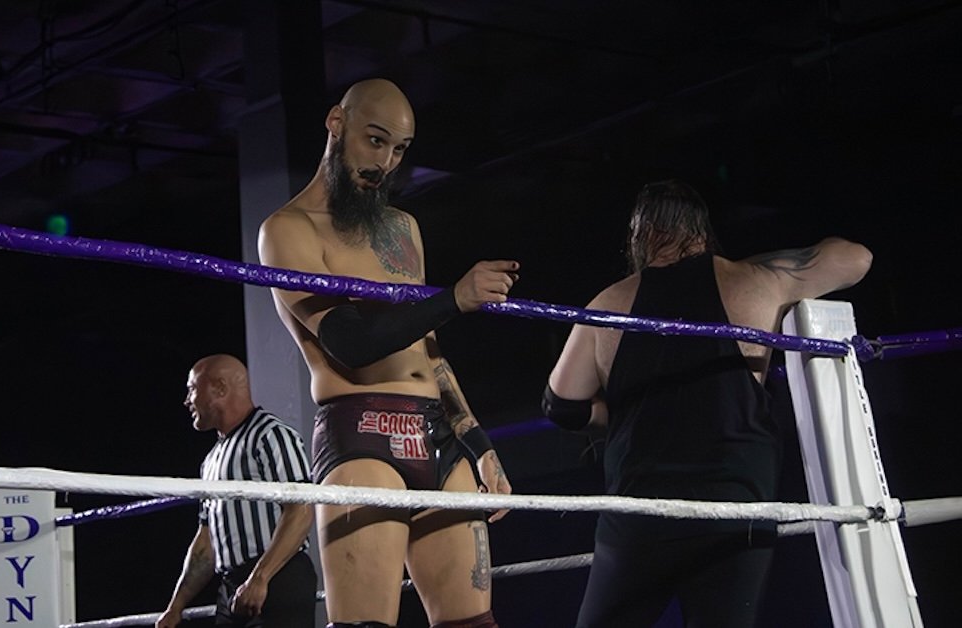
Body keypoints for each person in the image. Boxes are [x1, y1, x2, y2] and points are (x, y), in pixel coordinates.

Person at [542, 179, 873, 627]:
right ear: (702, 230)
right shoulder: (757, 282)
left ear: (641, 234)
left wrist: (616, 417)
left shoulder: (608, 304)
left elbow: (561, 403)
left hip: (642, 511)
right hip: (735, 506)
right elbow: (857, 257)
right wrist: (753, 267)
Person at [257, 78, 514, 628]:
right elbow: (350, 344)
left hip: (437, 436)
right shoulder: (287, 230)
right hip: (363, 436)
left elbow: (428, 351)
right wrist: (454, 298)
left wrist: (479, 443)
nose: (385, 163)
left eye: (399, 149)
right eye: (375, 141)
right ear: (336, 123)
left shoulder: (403, 229)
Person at [157, 354, 316, 628]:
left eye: (192, 389)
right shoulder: (211, 461)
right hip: (231, 585)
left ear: (220, 388)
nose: (187, 400)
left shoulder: (271, 435)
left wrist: (261, 577)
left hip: (277, 576)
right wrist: (175, 608)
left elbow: (301, 510)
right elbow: (206, 543)